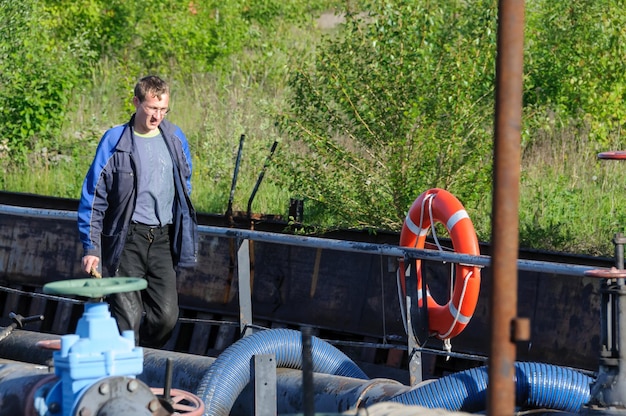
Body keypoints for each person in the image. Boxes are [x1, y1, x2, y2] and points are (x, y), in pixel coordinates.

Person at [78, 75, 198, 348]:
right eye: (152, 108)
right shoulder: (115, 141)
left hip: (162, 240)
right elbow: (94, 196)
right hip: (126, 239)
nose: (158, 116)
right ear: (136, 102)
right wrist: (92, 248)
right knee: (128, 319)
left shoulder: (175, 138)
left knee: (166, 317)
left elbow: (185, 181)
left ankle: (135, 356)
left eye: (163, 109)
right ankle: (126, 365)